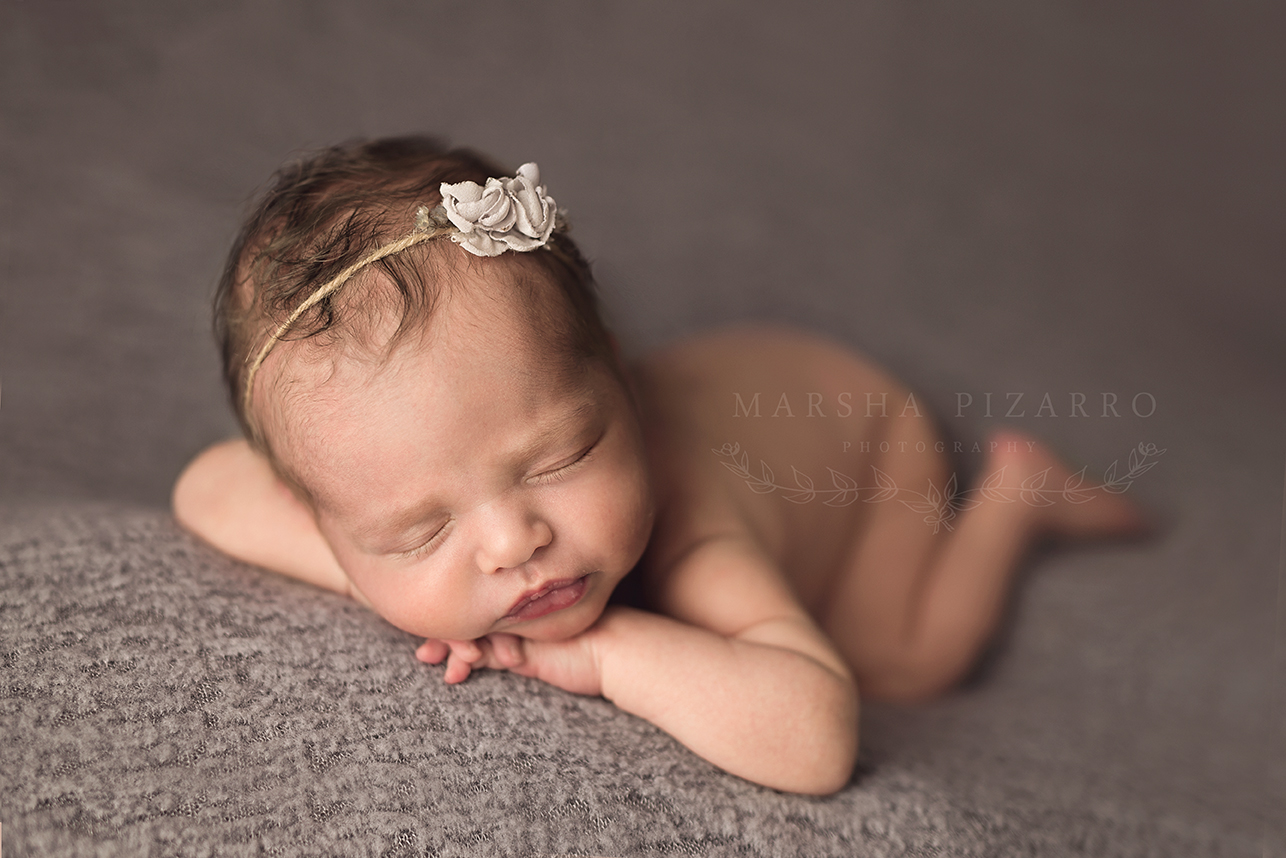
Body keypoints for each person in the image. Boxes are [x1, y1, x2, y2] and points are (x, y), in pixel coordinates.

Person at [172, 136, 1146, 795]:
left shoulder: (691, 530)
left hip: (861, 437)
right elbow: (204, 488)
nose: (512, 541)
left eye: (560, 456)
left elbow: (815, 738)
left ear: (620, 378)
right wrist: (393, 582)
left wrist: (603, 654)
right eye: (417, 528)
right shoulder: (384, 501)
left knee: (902, 656)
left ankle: (1016, 492)